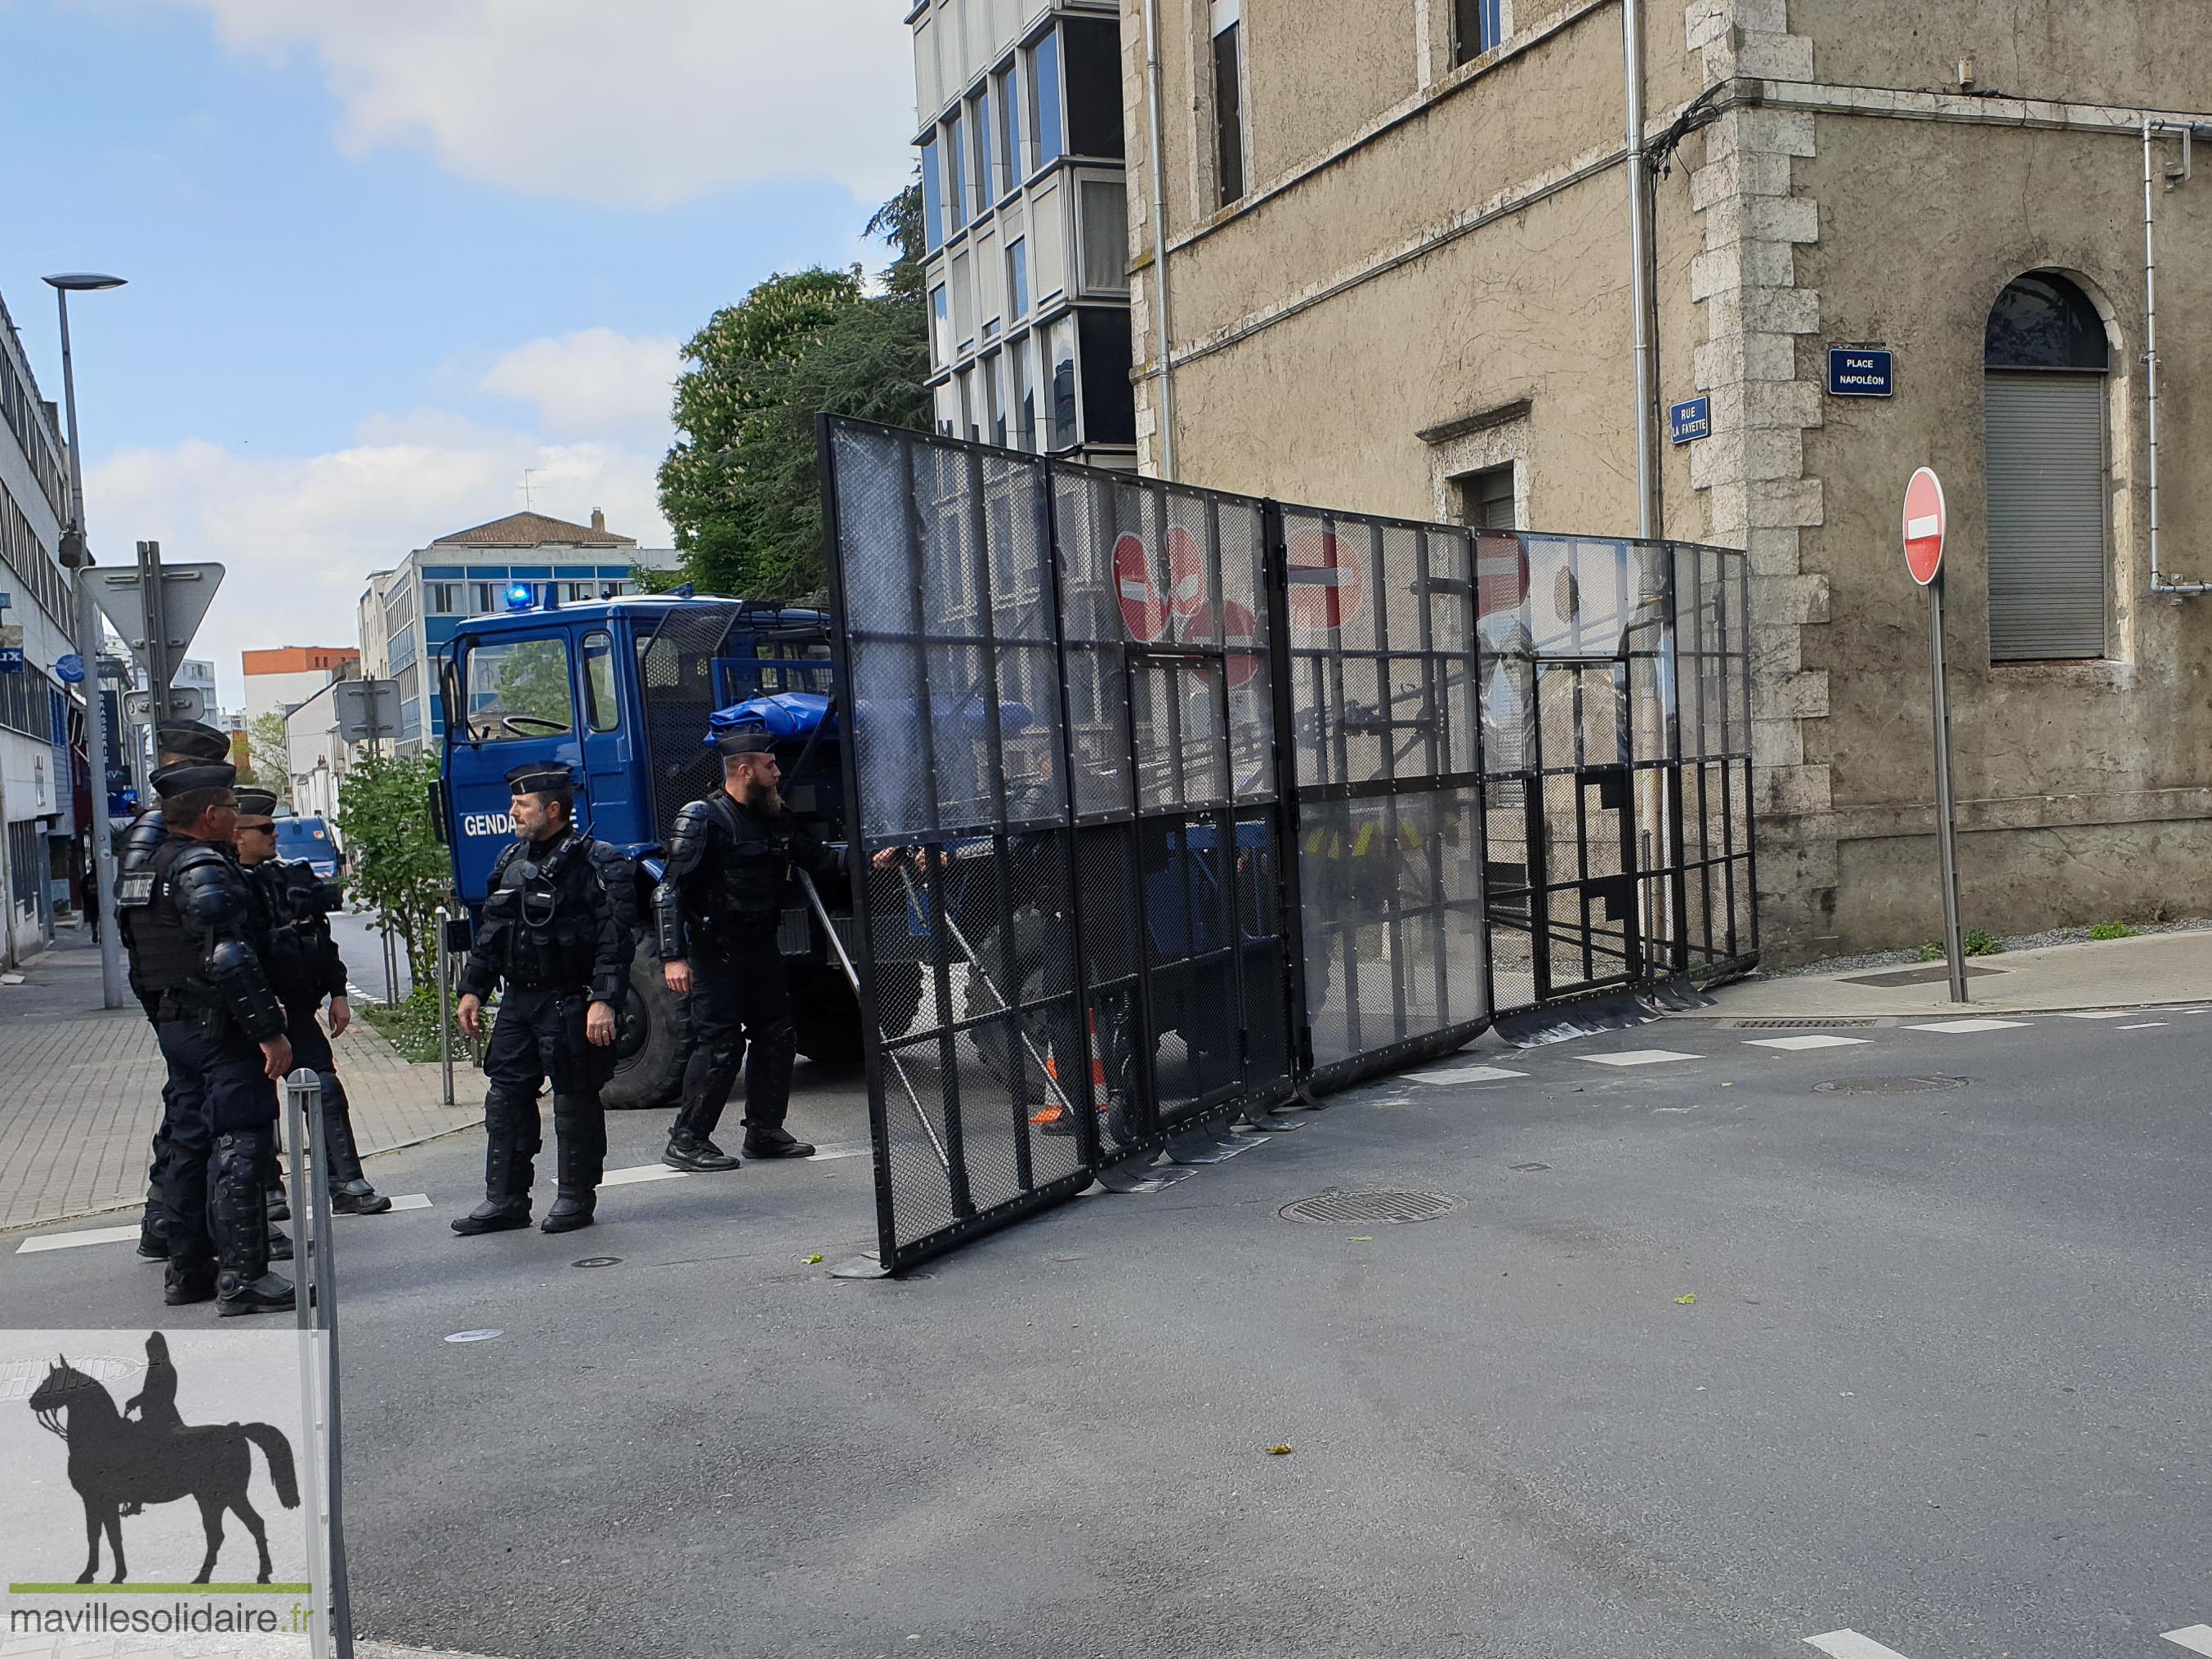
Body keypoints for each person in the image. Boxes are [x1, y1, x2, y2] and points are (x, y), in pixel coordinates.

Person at [655, 727, 897, 1170]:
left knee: (777, 1037)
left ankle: (764, 1131)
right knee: (721, 1045)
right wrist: (673, 956)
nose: (778, 772)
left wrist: (874, 857)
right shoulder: (703, 818)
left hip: (762, 947)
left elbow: (822, 860)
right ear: (744, 770)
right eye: (770, 766)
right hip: (717, 952)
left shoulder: (774, 816)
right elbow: (668, 891)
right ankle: (687, 1139)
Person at [115, 759, 295, 1317]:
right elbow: (229, 955)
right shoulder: (201, 867)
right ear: (213, 814)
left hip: (178, 1025)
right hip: (219, 1028)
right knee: (242, 1138)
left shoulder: (147, 869)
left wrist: (165, 1017)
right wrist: (269, 1032)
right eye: (232, 808)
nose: (237, 816)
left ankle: (188, 1269)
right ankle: (244, 1275)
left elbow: (139, 961)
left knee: (189, 1144)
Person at [453, 762, 638, 1236]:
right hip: (519, 1002)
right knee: (505, 1099)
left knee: (575, 1102)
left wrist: (603, 1000)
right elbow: (493, 931)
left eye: (523, 804)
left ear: (553, 810)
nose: (512, 811)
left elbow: (615, 939)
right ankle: (507, 1200)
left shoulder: (599, 862)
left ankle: (576, 1197)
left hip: (569, 1000)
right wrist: (473, 988)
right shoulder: (510, 860)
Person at [232, 787, 392, 1216]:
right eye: (264, 829)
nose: (273, 835)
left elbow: (321, 942)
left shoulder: (290, 878)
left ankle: (345, 1183)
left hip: (297, 1010)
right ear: (236, 835)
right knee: (252, 1101)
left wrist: (338, 993)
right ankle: (266, 1193)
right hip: (246, 1015)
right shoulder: (223, 885)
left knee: (323, 1088)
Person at [123, 722, 239, 1263]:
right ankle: (172, 1225)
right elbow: (145, 921)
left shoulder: (160, 833)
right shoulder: (160, 837)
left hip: (173, 995)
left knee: (188, 1113)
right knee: (195, 1117)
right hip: (188, 997)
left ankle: (171, 1226)